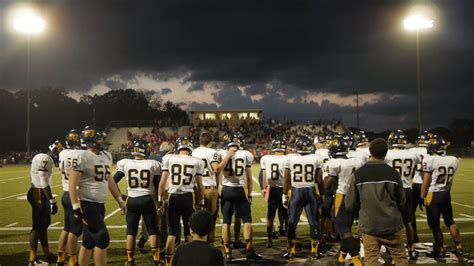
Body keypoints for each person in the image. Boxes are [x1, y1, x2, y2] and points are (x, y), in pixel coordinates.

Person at [68, 126, 126, 266]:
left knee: (88, 241)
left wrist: (119, 199)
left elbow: (109, 179)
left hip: (99, 204)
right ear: (90, 141)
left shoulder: (105, 155)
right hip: (87, 204)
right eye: (99, 139)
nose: (102, 141)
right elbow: (72, 184)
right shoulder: (82, 156)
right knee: (102, 238)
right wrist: (76, 206)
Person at [345, 138, 408, 266]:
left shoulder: (359, 174)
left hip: (369, 225)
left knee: (371, 260)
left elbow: (350, 204)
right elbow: (402, 201)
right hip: (392, 224)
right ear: (386, 152)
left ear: (370, 151)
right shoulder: (393, 173)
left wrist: (358, 214)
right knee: (400, 259)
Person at [157, 136, 205, 266]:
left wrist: (160, 201)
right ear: (189, 147)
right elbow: (200, 186)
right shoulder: (197, 161)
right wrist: (201, 202)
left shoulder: (169, 158)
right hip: (188, 197)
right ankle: (190, 261)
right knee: (190, 231)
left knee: (172, 232)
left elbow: (162, 184)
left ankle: (168, 262)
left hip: (174, 197)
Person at [214, 132, 261, 261]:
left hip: (227, 189)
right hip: (240, 190)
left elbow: (217, 171)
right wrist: (249, 194)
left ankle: (228, 252)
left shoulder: (221, 153)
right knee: (247, 220)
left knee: (226, 221)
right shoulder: (246, 154)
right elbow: (249, 179)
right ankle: (249, 250)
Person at [113, 140, 161, 265]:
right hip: (147, 199)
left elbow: (113, 182)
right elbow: (157, 185)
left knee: (131, 230)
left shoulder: (125, 163)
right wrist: (159, 202)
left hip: (132, 199)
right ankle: (156, 259)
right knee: (152, 229)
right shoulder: (153, 164)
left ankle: (130, 260)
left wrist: (121, 196)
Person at [421, 135, 464, 258]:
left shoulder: (430, 160)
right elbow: (450, 182)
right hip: (445, 193)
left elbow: (426, 182)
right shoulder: (453, 159)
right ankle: (459, 247)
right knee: (450, 221)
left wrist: (421, 196)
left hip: (433, 194)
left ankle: (438, 249)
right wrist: (446, 191)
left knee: (435, 225)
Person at [282, 135, 324, 259]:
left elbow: (286, 180)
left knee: (292, 222)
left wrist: (285, 194)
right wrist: (321, 193)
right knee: (313, 222)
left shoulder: (290, 158)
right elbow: (319, 180)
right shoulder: (316, 158)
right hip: (310, 191)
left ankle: (291, 251)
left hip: (296, 192)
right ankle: (314, 251)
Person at [324, 135, 363, 265]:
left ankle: (356, 260)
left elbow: (328, 184)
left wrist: (320, 185)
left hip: (343, 196)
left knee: (342, 228)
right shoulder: (357, 161)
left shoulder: (335, 163)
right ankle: (342, 256)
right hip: (357, 196)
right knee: (347, 226)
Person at [385, 130, 420, 260]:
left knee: (391, 221)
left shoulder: (387, 154)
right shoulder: (413, 154)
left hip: (392, 190)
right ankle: (412, 249)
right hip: (407, 189)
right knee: (409, 221)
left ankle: (392, 249)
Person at [27, 141, 62, 265]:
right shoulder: (45, 158)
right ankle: (32, 259)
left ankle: (46, 253)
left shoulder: (42, 156)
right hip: (39, 193)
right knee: (37, 226)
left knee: (43, 225)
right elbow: (42, 180)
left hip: (38, 192)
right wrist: (52, 200)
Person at [56, 130, 83, 266]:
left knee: (66, 227)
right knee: (75, 230)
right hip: (75, 194)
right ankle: (72, 259)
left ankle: (60, 257)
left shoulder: (62, 153)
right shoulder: (79, 154)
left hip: (65, 192)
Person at [192, 132, 221, 244]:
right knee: (211, 219)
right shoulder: (213, 152)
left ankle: (196, 244)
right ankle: (210, 244)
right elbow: (216, 169)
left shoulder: (193, 152)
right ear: (210, 142)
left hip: (196, 188)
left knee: (196, 218)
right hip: (209, 187)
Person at [260, 136, 289, 248]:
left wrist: (263, 188)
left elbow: (264, 175)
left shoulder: (266, 158)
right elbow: (288, 177)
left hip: (271, 189)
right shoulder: (287, 159)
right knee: (286, 216)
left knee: (270, 216)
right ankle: (288, 239)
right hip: (283, 189)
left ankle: (269, 239)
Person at [409, 130, 431, 242]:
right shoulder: (432, 151)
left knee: (410, 212)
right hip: (431, 186)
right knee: (433, 213)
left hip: (417, 184)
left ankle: (414, 237)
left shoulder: (412, 151)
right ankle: (438, 242)